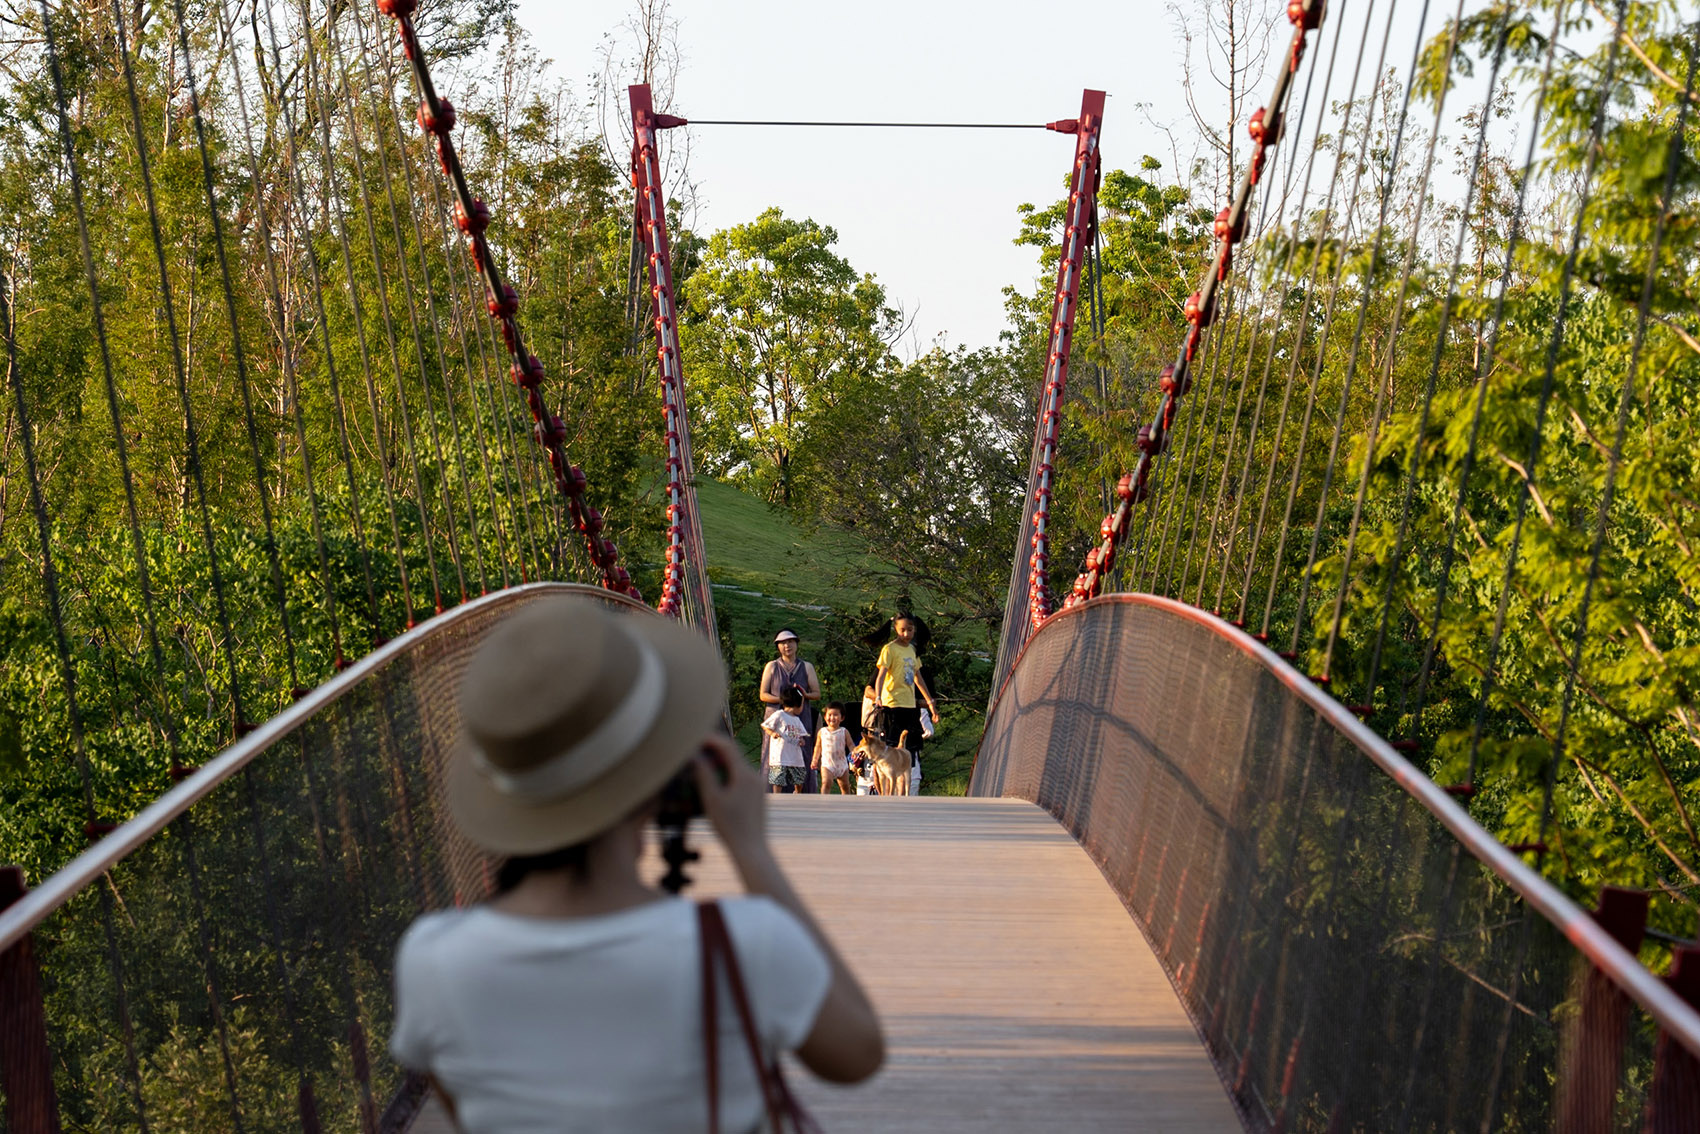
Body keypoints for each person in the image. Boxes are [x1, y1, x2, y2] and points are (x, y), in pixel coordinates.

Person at [388, 598, 882, 1131]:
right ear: (659, 780)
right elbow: (856, 1051)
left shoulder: (433, 959)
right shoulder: (742, 944)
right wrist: (750, 848)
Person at [873, 612, 939, 781]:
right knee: (892, 745)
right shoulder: (889, 649)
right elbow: (881, 676)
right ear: (895, 629)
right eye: (902, 630)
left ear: (914, 630)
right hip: (892, 703)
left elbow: (918, 678)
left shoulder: (912, 650)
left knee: (908, 746)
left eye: (910, 630)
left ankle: (905, 785)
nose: (906, 634)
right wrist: (878, 697)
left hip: (909, 705)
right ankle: (887, 783)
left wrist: (930, 702)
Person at [759, 629, 820, 791]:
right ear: (778, 646)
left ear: (797, 643)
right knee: (773, 756)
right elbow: (763, 694)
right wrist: (784, 700)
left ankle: (802, 793)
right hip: (776, 719)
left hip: (799, 718)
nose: (787, 646)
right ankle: (772, 793)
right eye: (783, 643)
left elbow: (816, 693)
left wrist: (804, 695)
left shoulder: (806, 667)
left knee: (801, 753)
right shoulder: (771, 666)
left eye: (791, 641)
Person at [761, 687, 810, 795]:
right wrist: (772, 733)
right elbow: (765, 725)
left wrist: (801, 740)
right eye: (802, 704)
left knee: (799, 779)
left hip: (795, 756)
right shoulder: (779, 715)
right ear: (797, 704)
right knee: (778, 779)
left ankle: (797, 793)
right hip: (780, 756)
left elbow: (801, 734)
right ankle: (776, 797)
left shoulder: (797, 720)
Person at [811, 704, 854, 796]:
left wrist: (854, 753)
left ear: (842, 718)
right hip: (827, 764)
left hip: (842, 764)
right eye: (829, 715)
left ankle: (846, 803)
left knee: (845, 786)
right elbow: (818, 747)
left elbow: (850, 744)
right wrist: (815, 760)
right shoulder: (822, 731)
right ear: (825, 717)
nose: (832, 717)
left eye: (835, 715)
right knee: (826, 783)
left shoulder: (844, 731)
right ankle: (824, 802)